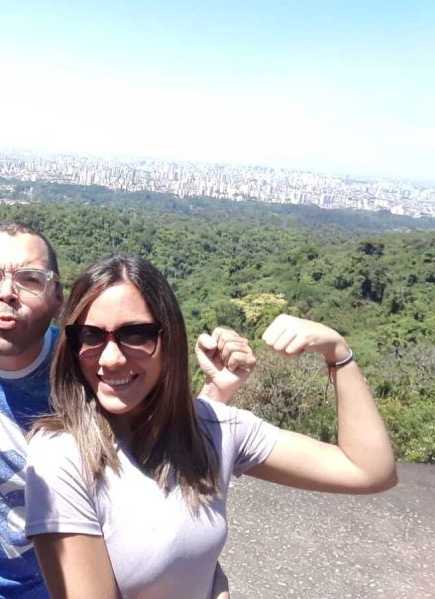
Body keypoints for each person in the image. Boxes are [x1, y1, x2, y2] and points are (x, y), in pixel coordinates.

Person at [0, 225, 244, 599]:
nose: (6, 293)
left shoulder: (83, 367)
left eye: (29, 279)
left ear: (58, 299)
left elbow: (161, 445)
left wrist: (214, 393)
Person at [24, 254, 398, 599]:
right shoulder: (62, 455)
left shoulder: (215, 429)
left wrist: (338, 353)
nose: (110, 358)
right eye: (89, 336)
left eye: (136, 334)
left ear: (169, 341)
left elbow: (368, 470)